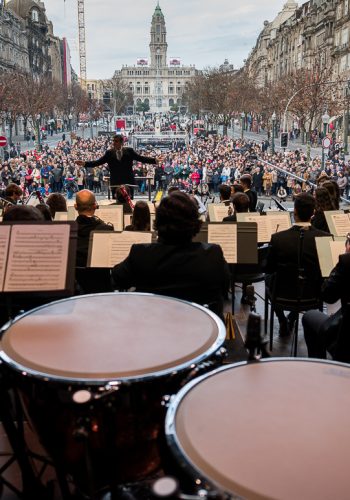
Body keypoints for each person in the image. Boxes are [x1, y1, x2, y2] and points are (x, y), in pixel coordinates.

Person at [112, 191, 230, 318]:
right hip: (199, 327)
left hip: (152, 326)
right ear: (195, 224)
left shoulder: (140, 253)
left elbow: (117, 277)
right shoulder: (212, 254)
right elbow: (224, 287)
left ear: (157, 222)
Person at [265, 193, 330, 336]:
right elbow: (326, 271)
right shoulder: (325, 238)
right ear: (313, 213)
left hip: (282, 291)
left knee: (270, 280)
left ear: (294, 211)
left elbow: (269, 268)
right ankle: (292, 317)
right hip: (313, 293)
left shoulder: (278, 238)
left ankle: (282, 320)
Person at [302, 239, 350, 359]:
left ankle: (319, 369)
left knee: (309, 316)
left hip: (345, 336)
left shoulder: (347, 261)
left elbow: (327, 295)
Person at [75, 134, 157, 199]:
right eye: (113, 141)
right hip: (115, 183)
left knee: (129, 203)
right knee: (116, 204)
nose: (114, 143)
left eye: (116, 141)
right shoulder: (109, 153)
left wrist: (154, 160)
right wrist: (84, 163)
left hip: (128, 182)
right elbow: (98, 162)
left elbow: (141, 158)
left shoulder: (129, 151)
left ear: (122, 142)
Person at [75, 189, 114, 267]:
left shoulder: (68, 230)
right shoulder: (106, 229)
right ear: (95, 206)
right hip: (99, 277)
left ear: (75, 207)